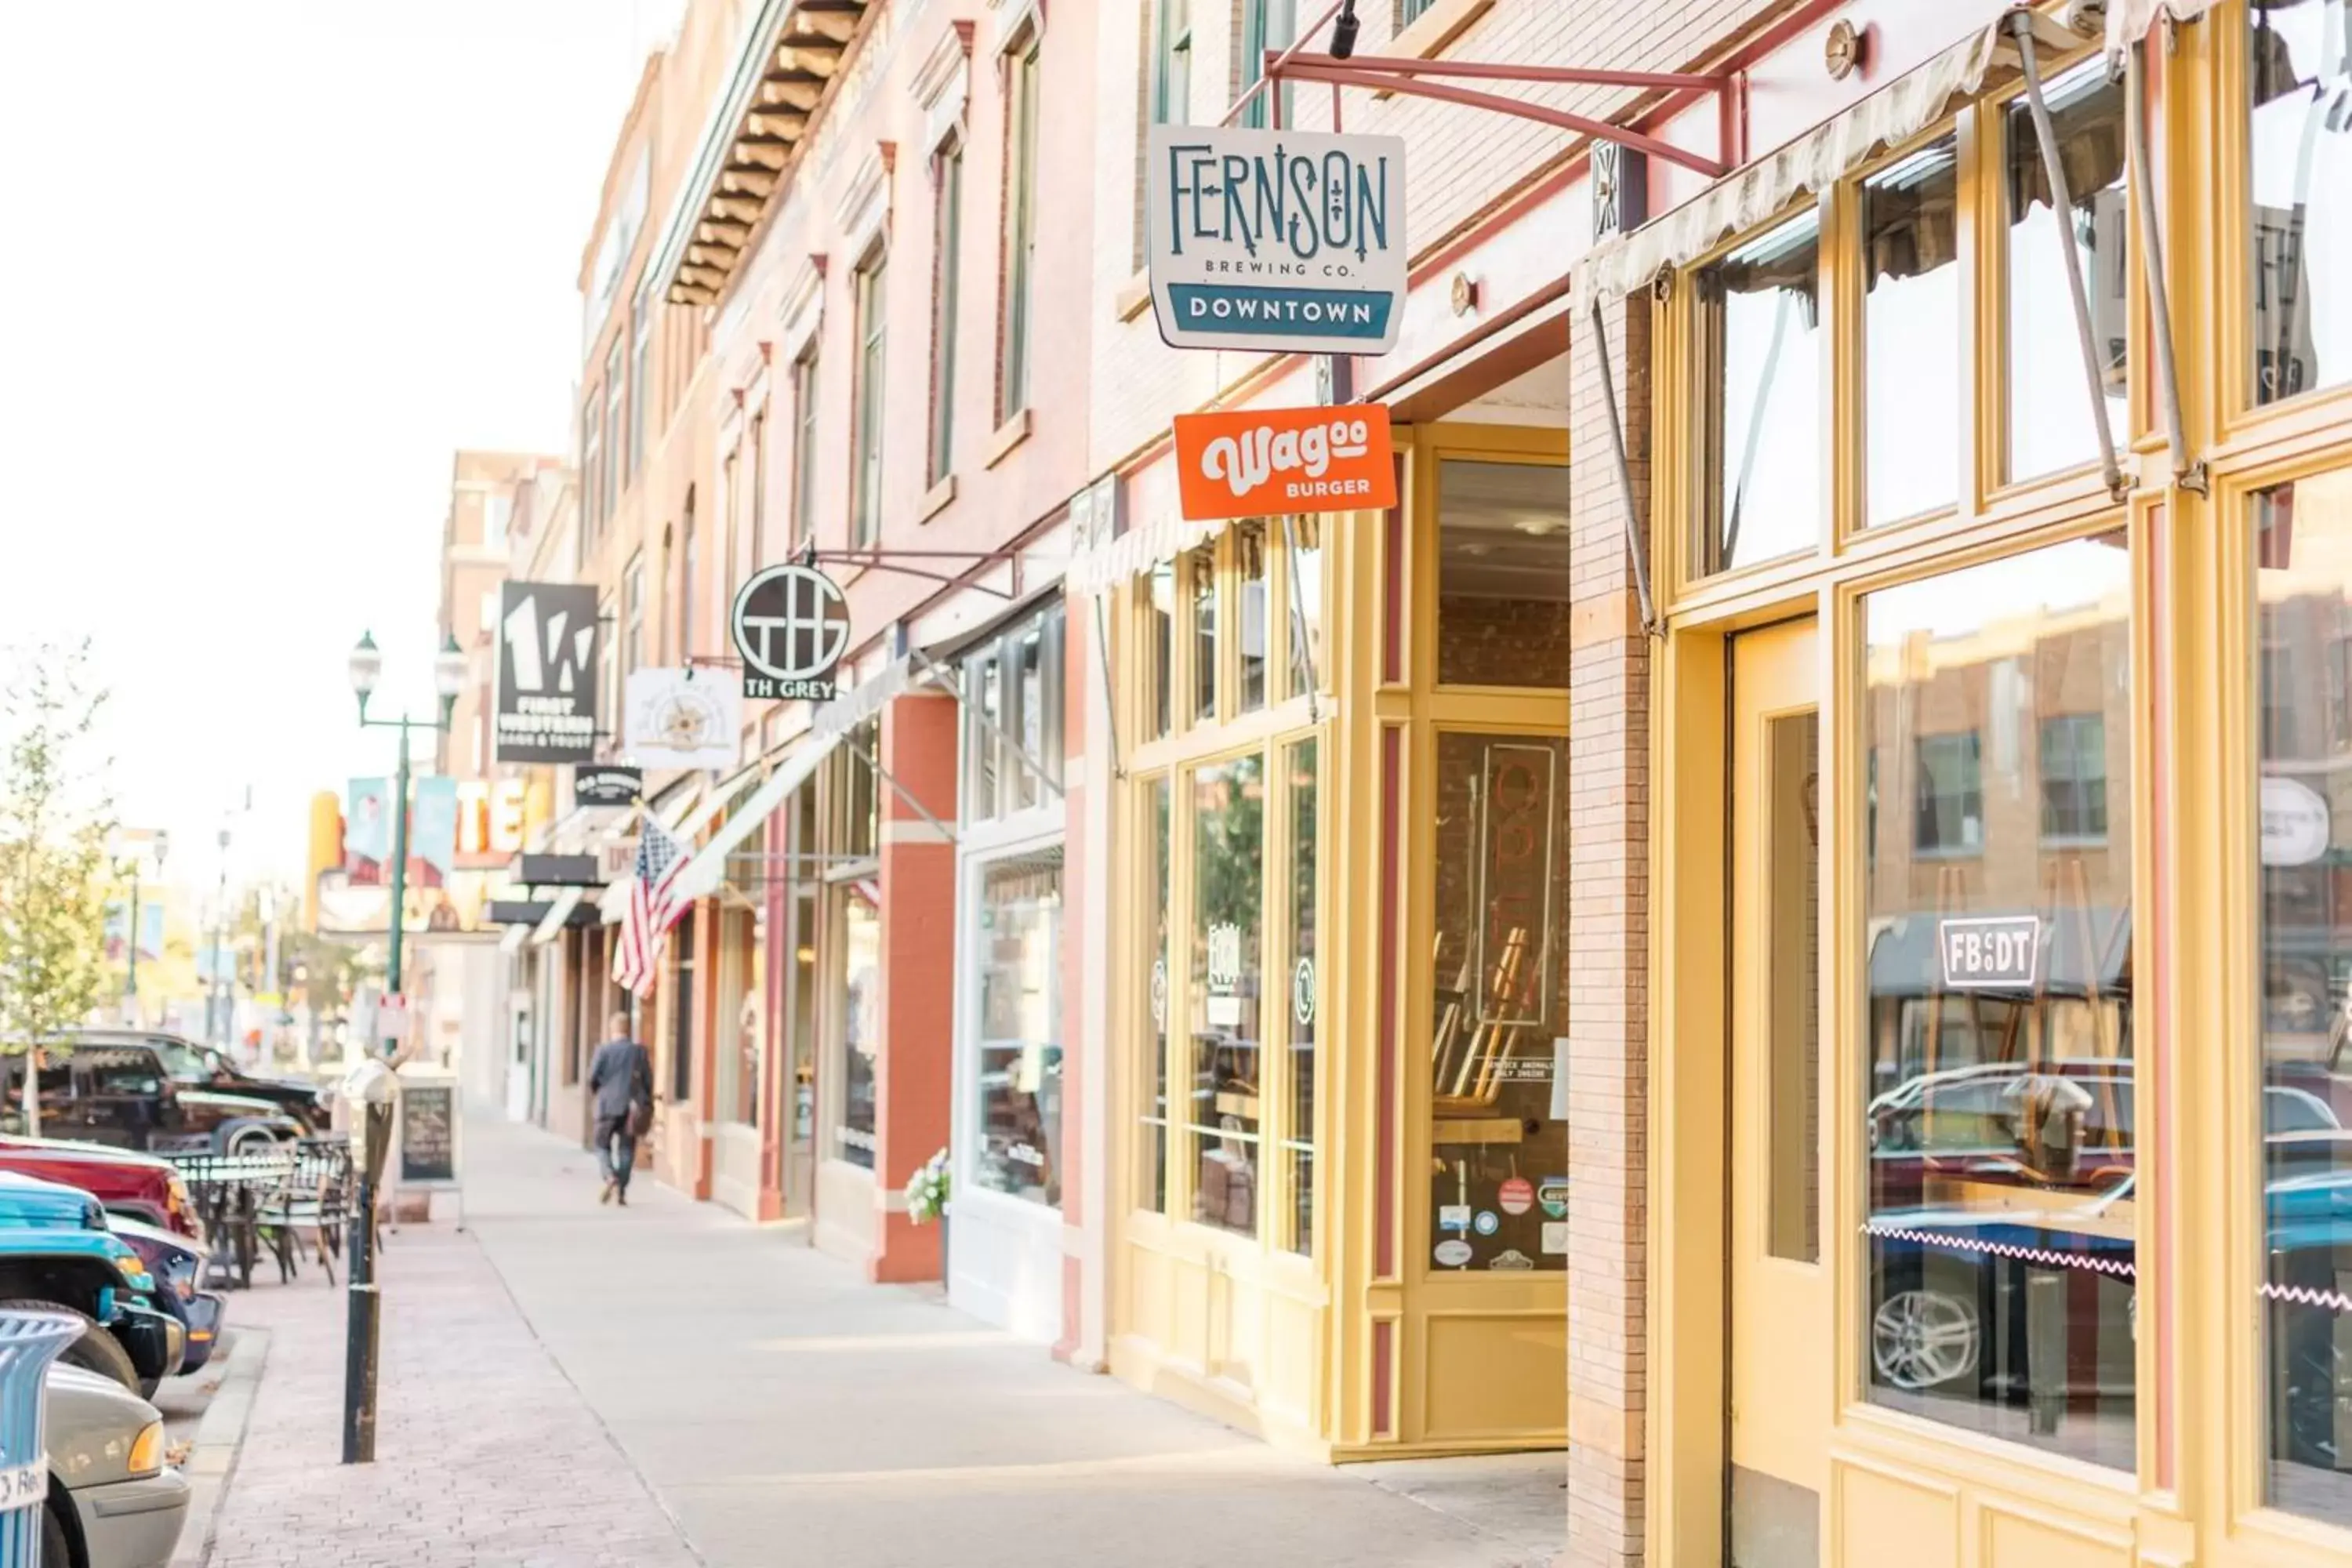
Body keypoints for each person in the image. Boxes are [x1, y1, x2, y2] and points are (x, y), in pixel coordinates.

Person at [586, 1013, 654, 1205]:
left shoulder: (603, 1051)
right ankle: (621, 1189)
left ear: (612, 1029)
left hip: (607, 1106)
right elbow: (648, 1080)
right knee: (626, 1148)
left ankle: (609, 1176)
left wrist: (600, 1092)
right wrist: (646, 1102)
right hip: (631, 1107)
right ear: (628, 1029)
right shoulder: (638, 1051)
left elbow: (592, 1078)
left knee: (601, 1145)